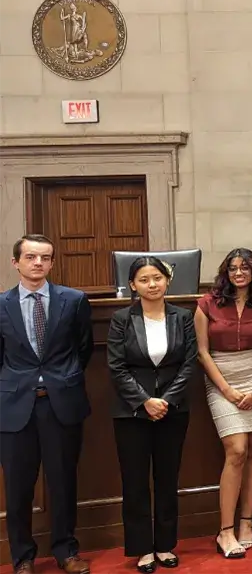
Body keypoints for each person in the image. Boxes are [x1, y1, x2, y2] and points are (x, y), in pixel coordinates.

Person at [0, 234, 94, 574]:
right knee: (18, 487)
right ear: (16, 262)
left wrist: (59, 379)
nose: (37, 263)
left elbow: (83, 349)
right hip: (15, 407)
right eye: (30, 257)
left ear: (52, 263)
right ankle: (22, 557)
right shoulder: (1, 304)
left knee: (63, 482)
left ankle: (66, 550)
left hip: (61, 403)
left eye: (45, 258)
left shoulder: (74, 300)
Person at [107, 257, 196, 572]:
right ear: (133, 285)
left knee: (167, 479)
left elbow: (189, 363)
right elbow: (116, 367)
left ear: (167, 281)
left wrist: (167, 400)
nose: (152, 284)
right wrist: (145, 400)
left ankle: (165, 545)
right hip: (131, 412)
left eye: (157, 278)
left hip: (173, 410)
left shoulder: (182, 316)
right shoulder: (121, 318)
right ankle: (142, 548)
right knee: (135, 482)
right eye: (144, 279)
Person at [195, 248, 252, 558]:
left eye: (244, 268)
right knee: (237, 450)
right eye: (232, 268)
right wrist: (227, 391)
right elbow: (203, 352)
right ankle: (225, 531)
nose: (238, 273)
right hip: (222, 379)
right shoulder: (207, 304)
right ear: (225, 272)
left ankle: (247, 522)